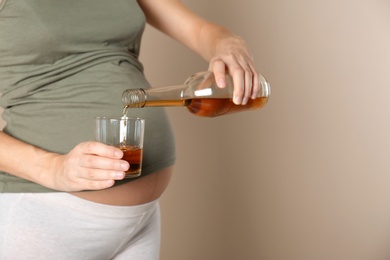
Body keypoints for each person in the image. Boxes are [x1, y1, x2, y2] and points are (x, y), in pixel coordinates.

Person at [0, 0, 262, 259]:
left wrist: (229, 44)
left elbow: (200, 31)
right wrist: (53, 168)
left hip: (139, 223)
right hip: (46, 215)